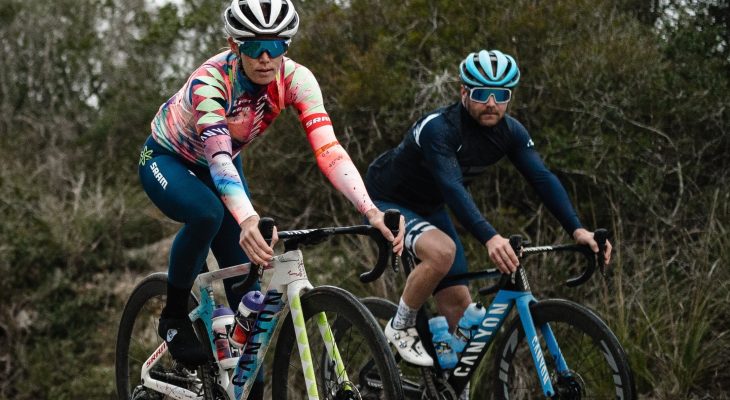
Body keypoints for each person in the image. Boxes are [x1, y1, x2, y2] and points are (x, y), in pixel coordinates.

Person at [137, 0, 404, 385]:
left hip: (224, 163)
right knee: (208, 214)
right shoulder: (210, 82)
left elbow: (329, 150)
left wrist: (371, 211)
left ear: (286, 47)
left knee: (251, 345)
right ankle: (174, 316)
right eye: (254, 46)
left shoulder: (297, 79)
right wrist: (247, 219)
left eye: (275, 46)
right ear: (234, 45)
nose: (265, 57)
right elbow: (218, 158)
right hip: (167, 159)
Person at [365, 49, 612, 367]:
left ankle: (449, 383)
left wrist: (577, 230)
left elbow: (542, 178)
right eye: (482, 94)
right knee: (441, 252)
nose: (492, 103)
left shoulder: (511, 132)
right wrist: (491, 237)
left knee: (462, 316)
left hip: (431, 205)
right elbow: (453, 187)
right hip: (387, 201)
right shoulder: (439, 129)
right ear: (464, 92)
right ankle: (400, 326)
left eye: (501, 95)